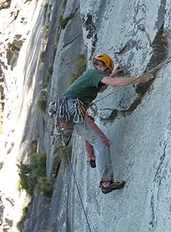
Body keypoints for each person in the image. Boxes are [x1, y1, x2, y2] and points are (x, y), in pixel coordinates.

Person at [51, 53, 154, 194]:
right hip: (71, 109)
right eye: (105, 70)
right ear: (99, 65)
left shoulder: (92, 78)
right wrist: (139, 79)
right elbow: (111, 83)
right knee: (101, 142)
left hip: (67, 112)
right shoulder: (93, 72)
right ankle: (106, 183)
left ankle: (92, 158)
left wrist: (111, 73)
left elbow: (103, 86)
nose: (106, 74)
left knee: (90, 125)